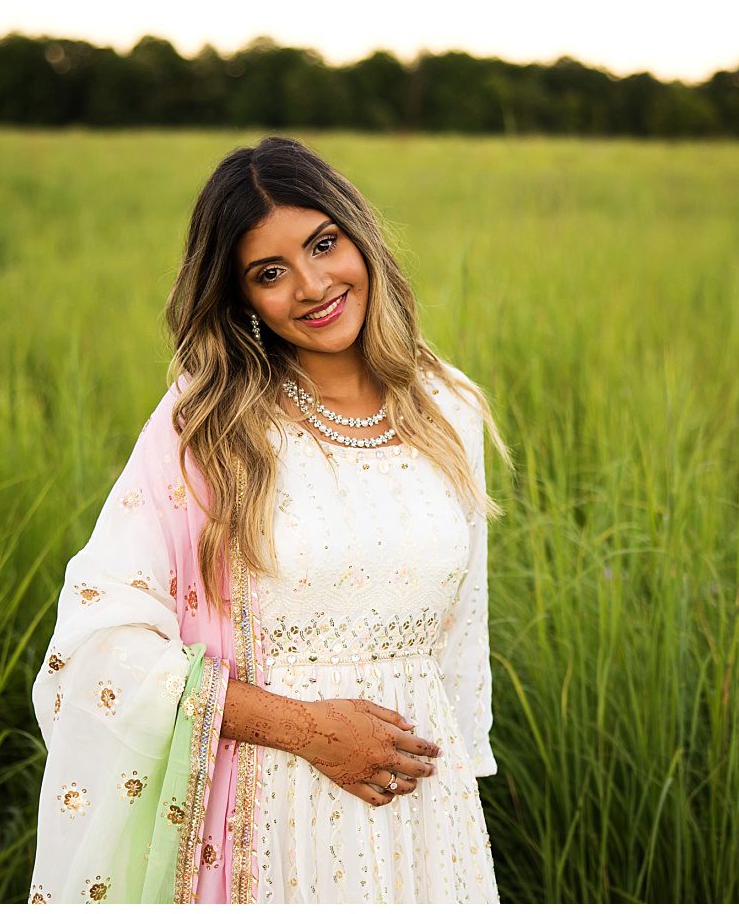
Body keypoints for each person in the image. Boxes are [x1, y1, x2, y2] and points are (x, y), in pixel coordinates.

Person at [26, 136, 509, 903]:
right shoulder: (210, 425)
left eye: (324, 244)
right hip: (272, 812)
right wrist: (313, 733)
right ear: (241, 297)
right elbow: (99, 643)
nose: (314, 285)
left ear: (360, 235)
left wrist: (458, 788)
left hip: (427, 814)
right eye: (270, 272)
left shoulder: (449, 405)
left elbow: (462, 628)